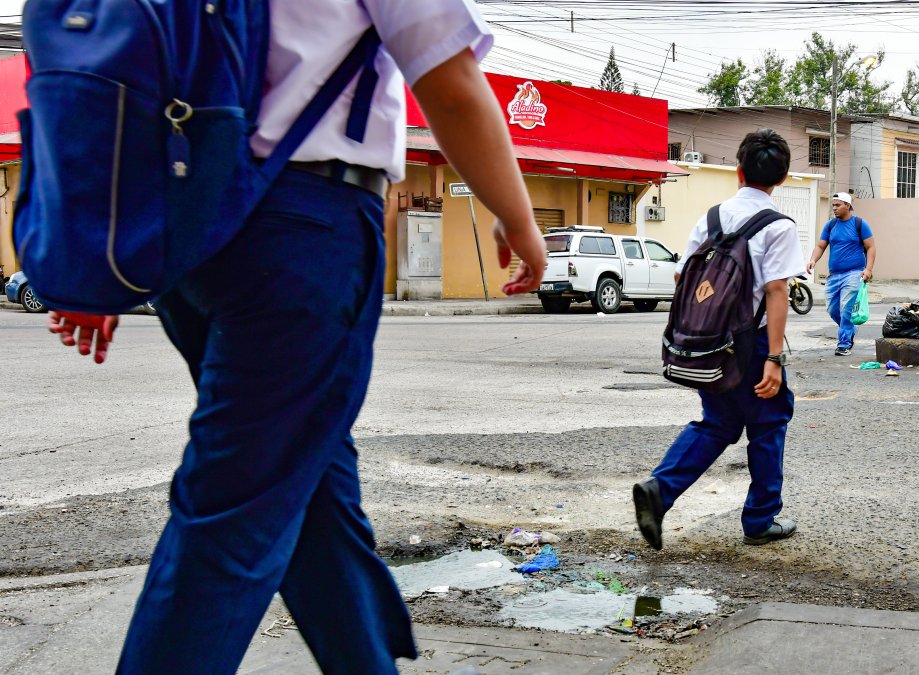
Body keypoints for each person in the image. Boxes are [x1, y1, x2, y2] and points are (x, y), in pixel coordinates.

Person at [46, 3, 546, 672]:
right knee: (230, 524)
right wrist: (517, 215)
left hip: (188, 223)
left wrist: (102, 244)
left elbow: (113, 56)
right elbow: (449, 80)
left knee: (312, 486)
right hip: (303, 230)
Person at [633, 129, 806, 549]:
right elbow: (777, 291)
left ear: (738, 171)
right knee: (768, 426)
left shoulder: (711, 218)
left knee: (718, 423)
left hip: (710, 343)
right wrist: (775, 359)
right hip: (754, 343)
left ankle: (660, 490)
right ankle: (760, 520)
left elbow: (682, 275)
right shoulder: (778, 226)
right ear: (781, 179)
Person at [807, 193, 876, 356]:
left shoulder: (860, 224)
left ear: (847, 205)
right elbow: (820, 245)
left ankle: (844, 344)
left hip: (854, 273)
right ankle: (851, 329)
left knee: (846, 308)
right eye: (833, 205)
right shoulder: (830, 225)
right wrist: (812, 260)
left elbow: (871, 247)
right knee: (832, 309)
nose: (834, 208)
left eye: (838, 205)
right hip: (834, 275)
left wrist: (868, 269)